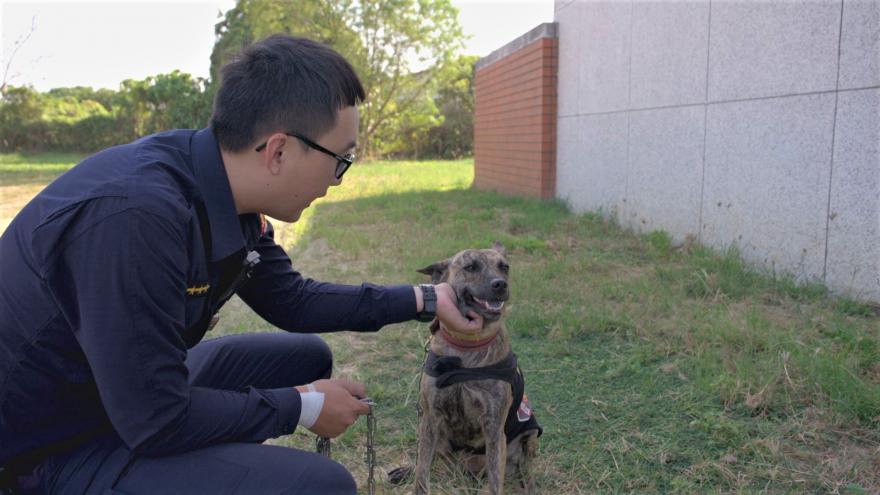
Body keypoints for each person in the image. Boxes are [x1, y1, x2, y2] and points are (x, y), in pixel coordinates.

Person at [0, 35, 483, 494]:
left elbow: (291, 299)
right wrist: (301, 407)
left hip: (115, 391)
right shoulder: (137, 220)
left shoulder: (221, 188)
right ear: (277, 150)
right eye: (342, 159)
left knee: (306, 357)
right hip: (49, 442)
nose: (338, 179)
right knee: (322, 486)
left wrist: (426, 299)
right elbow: (155, 419)